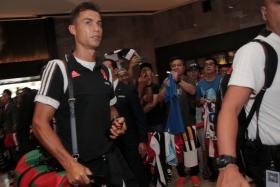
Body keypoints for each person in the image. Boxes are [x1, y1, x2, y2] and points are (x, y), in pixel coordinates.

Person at [32, 2, 132, 186]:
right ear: (73, 29)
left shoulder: (105, 71)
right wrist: (69, 164)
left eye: (99, 23)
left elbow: (110, 109)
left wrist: (117, 123)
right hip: (80, 170)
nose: (96, 29)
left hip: (111, 161)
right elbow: (39, 123)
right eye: (88, 22)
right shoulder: (59, 68)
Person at [216, 0, 280, 186]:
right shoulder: (255, 51)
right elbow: (230, 108)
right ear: (264, 12)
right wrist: (228, 165)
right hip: (272, 159)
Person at [103, 58, 149, 187]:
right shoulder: (102, 93)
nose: (105, 71)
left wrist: (142, 141)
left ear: (116, 70)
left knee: (137, 172)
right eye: (102, 68)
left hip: (131, 141)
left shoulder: (127, 90)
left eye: (108, 68)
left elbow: (139, 116)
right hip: (112, 143)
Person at [159, 57, 201, 187]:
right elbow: (160, 98)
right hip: (172, 124)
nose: (176, 68)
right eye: (173, 66)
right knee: (178, 151)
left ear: (183, 67)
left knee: (190, 150)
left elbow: (193, 91)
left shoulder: (188, 79)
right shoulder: (166, 81)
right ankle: (182, 175)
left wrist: (178, 80)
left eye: (178, 65)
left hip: (187, 122)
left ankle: (194, 174)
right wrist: (166, 85)